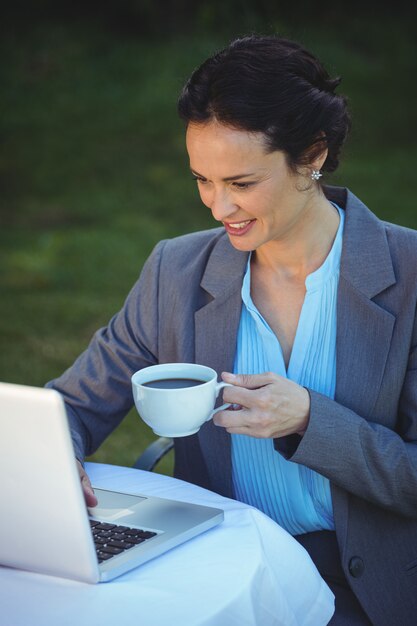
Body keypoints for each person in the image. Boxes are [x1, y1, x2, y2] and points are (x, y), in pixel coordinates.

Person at [46, 35, 417, 624]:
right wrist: (51, 460)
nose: (219, 209)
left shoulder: (410, 276)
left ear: (312, 154)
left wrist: (311, 422)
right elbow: (71, 405)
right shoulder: (176, 270)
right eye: (202, 180)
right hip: (217, 570)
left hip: (362, 584)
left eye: (242, 183)